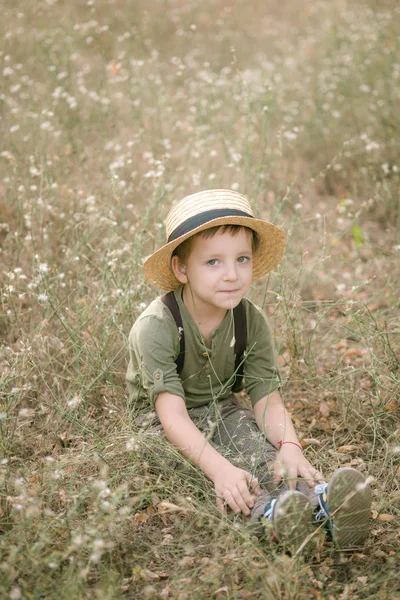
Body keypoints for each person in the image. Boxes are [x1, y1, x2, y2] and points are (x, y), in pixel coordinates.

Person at [126, 189, 372, 553]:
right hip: (160, 422)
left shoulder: (249, 319)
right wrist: (219, 469)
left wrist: (290, 445)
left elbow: (266, 399)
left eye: (242, 259)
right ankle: (271, 518)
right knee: (227, 476)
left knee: (260, 451)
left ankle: (320, 506)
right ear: (181, 268)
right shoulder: (157, 326)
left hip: (221, 405)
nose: (231, 275)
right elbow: (173, 417)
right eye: (213, 262)